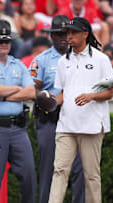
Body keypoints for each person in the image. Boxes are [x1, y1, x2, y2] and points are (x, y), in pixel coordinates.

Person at [49, 17, 113, 203]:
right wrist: (50, 102)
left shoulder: (101, 59)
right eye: (68, 32)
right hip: (66, 125)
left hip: (91, 125)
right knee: (59, 171)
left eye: (73, 32)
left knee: (91, 175)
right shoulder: (63, 61)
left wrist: (91, 96)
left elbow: (109, 92)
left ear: (85, 34)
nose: (69, 36)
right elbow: (62, 94)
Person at [29, 15, 85, 203]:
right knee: (49, 170)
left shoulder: (83, 56)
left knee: (80, 171)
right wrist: (42, 97)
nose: (63, 37)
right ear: (51, 36)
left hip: (78, 118)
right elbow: (32, 87)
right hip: (50, 119)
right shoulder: (41, 59)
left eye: (66, 33)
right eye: (58, 34)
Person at [0, 19, 37, 203]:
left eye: (7, 41)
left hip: (18, 129)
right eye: (0, 41)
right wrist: (16, 88)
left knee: (29, 174)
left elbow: (31, 91)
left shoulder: (18, 64)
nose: (4, 44)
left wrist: (5, 94)